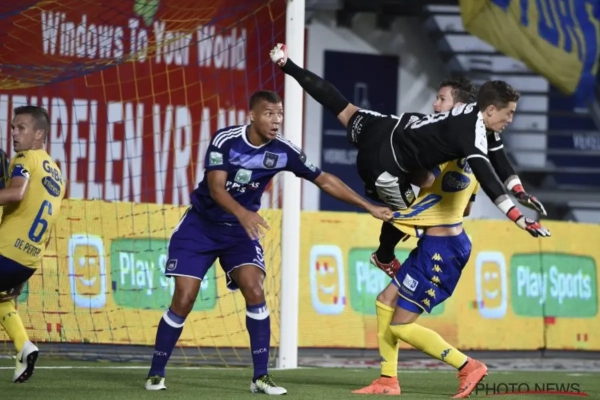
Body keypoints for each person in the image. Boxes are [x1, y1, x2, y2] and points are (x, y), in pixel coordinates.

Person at [145, 90, 393, 393]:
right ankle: (156, 372)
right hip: (200, 227)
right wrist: (243, 213)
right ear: (252, 115)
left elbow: (324, 179)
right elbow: (216, 187)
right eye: (269, 114)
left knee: (254, 288)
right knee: (184, 298)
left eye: (279, 114)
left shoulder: (284, 150)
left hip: (239, 233)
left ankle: (260, 377)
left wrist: (368, 205)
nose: (276, 120)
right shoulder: (226, 140)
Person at [270, 43, 550, 239]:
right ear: (490, 110)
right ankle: (384, 256)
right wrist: (518, 217)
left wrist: (520, 192)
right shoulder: (469, 133)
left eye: (441, 99)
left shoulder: (472, 116)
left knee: (341, 106)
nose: (511, 119)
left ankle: (286, 63)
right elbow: (487, 178)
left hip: (384, 128)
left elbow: (498, 156)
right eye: (509, 113)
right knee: (419, 224)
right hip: (384, 165)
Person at [350, 79, 485, 398]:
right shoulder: (474, 152)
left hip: (441, 251)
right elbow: (466, 208)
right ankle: (387, 380)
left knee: (401, 325)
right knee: (385, 301)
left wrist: (390, 161)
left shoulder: (440, 147)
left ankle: (467, 366)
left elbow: (421, 185)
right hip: (439, 243)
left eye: (442, 99)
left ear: (459, 107)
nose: (435, 105)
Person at [0, 105, 65, 383]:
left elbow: (16, 193)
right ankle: (24, 346)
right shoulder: (57, 175)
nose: (14, 133)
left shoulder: (25, 157)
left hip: (5, 251)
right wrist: (23, 273)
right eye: (13, 127)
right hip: (26, 262)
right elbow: (47, 231)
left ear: (39, 134)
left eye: (21, 128)